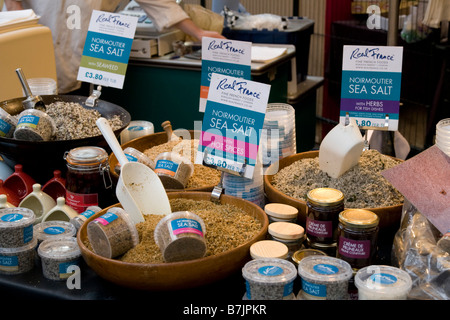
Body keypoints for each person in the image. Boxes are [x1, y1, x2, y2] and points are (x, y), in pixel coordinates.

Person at [4, 0, 224, 95]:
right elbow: (13, 5)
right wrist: (29, 41)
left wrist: (199, 33)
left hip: (86, 61)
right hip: (30, 52)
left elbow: (160, 4)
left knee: (78, 127)